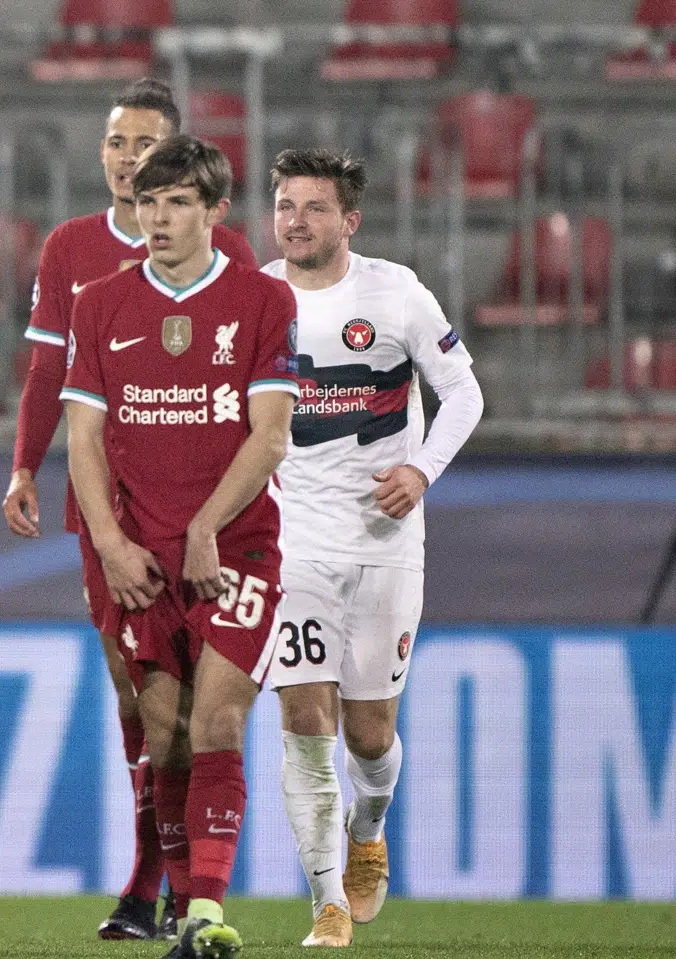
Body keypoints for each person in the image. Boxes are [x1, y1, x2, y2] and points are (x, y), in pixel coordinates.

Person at [2, 78, 257, 941]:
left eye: (145, 144)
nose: (126, 157)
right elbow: (47, 374)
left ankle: (162, 880)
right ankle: (161, 871)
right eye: (116, 142)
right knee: (136, 694)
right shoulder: (71, 249)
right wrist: (24, 468)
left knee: (194, 707)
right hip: (103, 510)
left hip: (196, 513)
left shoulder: (234, 256)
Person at [62, 135, 298, 959]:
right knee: (161, 734)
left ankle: (205, 911)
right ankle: (180, 903)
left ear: (215, 212)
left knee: (218, 719)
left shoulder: (263, 302)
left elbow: (269, 436)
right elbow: (83, 442)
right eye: (146, 202)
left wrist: (207, 526)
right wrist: (113, 545)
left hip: (238, 550)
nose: (156, 218)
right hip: (142, 559)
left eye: (177, 203)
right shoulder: (98, 304)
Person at [261, 148, 484, 947]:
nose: (296, 220)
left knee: (367, 735)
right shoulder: (255, 298)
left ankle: (371, 824)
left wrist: (421, 471)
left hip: (387, 539)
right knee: (306, 721)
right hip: (290, 544)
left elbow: (464, 391)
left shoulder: (395, 293)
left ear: (349, 221)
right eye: (286, 204)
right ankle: (326, 902)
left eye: (314, 208)